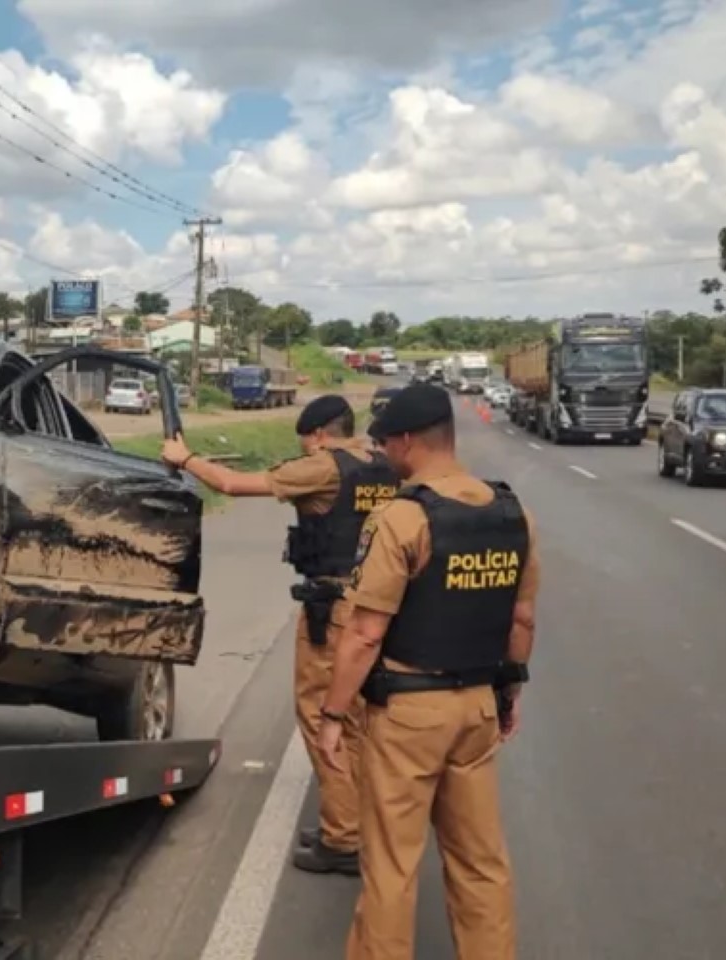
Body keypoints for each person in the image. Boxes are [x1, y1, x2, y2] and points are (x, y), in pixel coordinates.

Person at [314, 383, 537, 959]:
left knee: (391, 865)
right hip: (478, 710)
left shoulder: (403, 518)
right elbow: (521, 620)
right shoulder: (513, 514)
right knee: (481, 862)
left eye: (386, 441)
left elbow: (364, 633)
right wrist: (508, 692)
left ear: (408, 440)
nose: (383, 452)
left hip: (409, 713)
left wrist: (333, 715)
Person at [160, 394, 400, 876]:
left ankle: (343, 841)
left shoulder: (324, 467)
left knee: (321, 714)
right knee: (357, 720)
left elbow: (231, 483)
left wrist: (184, 459)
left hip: (333, 609)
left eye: (307, 443)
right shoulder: (382, 462)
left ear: (317, 436)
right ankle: (349, 822)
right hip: (379, 603)